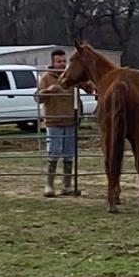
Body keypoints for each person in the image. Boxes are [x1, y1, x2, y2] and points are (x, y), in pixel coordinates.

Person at [35, 49, 93, 197]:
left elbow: (88, 88)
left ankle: (67, 185)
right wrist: (48, 91)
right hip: (54, 120)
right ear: (52, 62)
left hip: (70, 120)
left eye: (63, 61)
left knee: (69, 154)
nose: (62, 64)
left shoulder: (71, 77)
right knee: (53, 152)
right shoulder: (46, 78)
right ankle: (49, 185)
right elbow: (37, 98)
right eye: (59, 61)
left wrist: (88, 86)